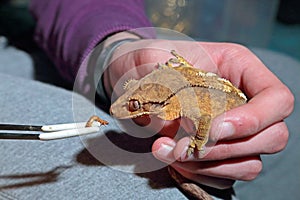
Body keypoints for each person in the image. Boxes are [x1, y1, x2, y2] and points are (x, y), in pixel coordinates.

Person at [30, 0, 294, 196]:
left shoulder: (181, 99)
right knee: (161, 191)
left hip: (91, 20)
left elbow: (203, 118)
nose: (121, 105)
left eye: (132, 98)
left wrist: (118, 50)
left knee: (291, 76)